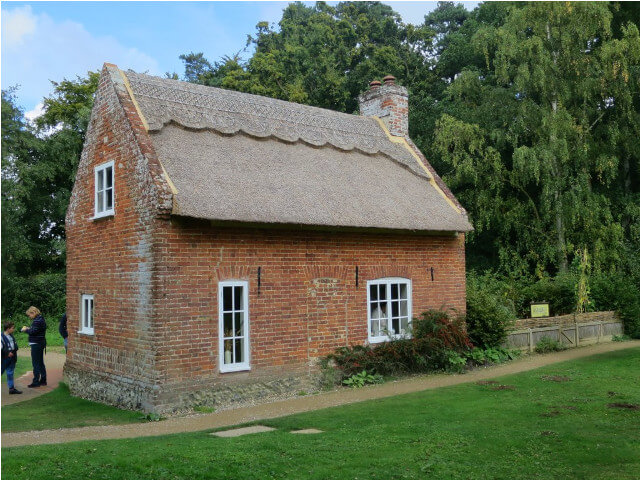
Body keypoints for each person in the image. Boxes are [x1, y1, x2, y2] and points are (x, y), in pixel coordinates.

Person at [21, 306, 47, 388]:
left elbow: (33, 332)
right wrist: (30, 328)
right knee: (40, 362)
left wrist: (25, 330)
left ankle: (36, 382)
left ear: (33, 313)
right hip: (40, 342)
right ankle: (43, 380)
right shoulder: (40, 319)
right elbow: (36, 330)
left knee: (36, 363)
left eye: (29, 315)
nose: (29, 317)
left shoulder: (36, 321)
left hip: (36, 344)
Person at [1, 322, 22, 394]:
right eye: (12, 328)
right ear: (8, 329)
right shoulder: (1, 336)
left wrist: (14, 351)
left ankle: (11, 389)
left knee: (10, 373)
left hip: (12, 357)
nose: (14, 329)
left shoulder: (11, 335)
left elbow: (14, 345)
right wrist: (7, 353)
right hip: (4, 358)